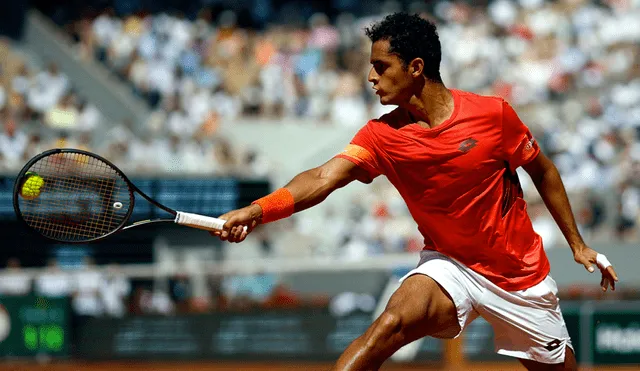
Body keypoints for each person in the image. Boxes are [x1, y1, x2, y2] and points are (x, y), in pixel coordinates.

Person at [210, 12, 619, 371]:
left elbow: (543, 171)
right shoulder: (380, 135)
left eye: (381, 66)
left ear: (416, 67)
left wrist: (577, 244)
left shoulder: (493, 115)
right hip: (450, 267)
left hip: (520, 277)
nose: (370, 77)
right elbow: (320, 179)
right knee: (388, 326)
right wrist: (258, 209)